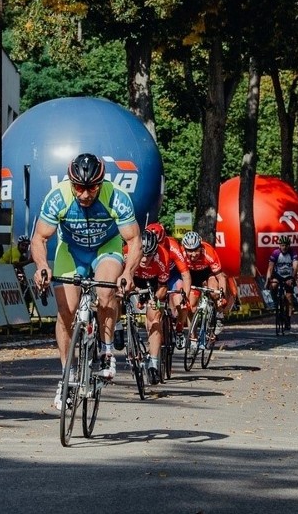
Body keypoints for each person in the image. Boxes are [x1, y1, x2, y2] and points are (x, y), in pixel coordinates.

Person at [31, 153, 142, 410]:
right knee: (66, 312)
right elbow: (39, 238)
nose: (84, 194)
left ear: (101, 183)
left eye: (91, 187)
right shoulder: (58, 197)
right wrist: (42, 266)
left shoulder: (116, 197)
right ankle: (67, 375)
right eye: (79, 187)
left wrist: (128, 274)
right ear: (71, 183)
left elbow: (134, 240)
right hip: (71, 251)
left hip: (106, 248)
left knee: (106, 293)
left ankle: (105, 350)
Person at [130, 230, 170, 384]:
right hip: (134, 278)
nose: (145, 259)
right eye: (143, 254)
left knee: (154, 319)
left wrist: (155, 299)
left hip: (153, 284)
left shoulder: (163, 257)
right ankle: (119, 329)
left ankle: (153, 363)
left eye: (149, 255)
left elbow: (163, 287)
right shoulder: (128, 251)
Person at [146, 222, 192, 349]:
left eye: (160, 244)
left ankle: (179, 329)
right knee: (153, 308)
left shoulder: (173, 247)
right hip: (155, 276)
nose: (157, 248)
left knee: (180, 303)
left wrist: (185, 297)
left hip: (172, 275)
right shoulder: (145, 245)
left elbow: (186, 274)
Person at [181, 231, 233, 337]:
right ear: (185, 249)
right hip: (192, 275)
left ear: (200, 247)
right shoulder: (181, 254)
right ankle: (193, 338)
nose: (193, 254)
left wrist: (221, 296)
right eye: (190, 251)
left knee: (214, 292)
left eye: (196, 250)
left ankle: (219, 316)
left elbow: (220, 277)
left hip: (209, 273)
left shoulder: (208, 252)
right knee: (191, 305)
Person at [264, 236, 298, 329]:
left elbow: (295, 267)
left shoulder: (293, 252)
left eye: (286, 245)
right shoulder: (275, 253)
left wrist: (292, 278)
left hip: (289, 276)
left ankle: (288, 318)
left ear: (289, 245)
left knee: (289, 297)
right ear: (279, 245)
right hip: (278, 275)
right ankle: (275, 301)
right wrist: (268, 279)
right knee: (274, 285)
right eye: (282, 245)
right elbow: (270, 268)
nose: (284, 247)